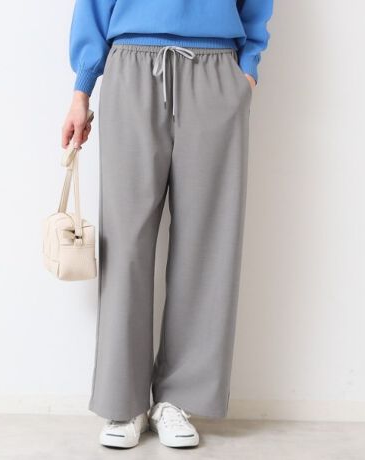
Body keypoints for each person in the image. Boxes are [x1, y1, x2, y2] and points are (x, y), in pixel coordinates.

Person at [62, 0, 273, 449]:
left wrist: (247, 70)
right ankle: (124, 401)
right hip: (131, 66)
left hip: (216, 68)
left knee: (208, 241)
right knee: (125, 241)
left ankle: (179, 398)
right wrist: (82, 88)